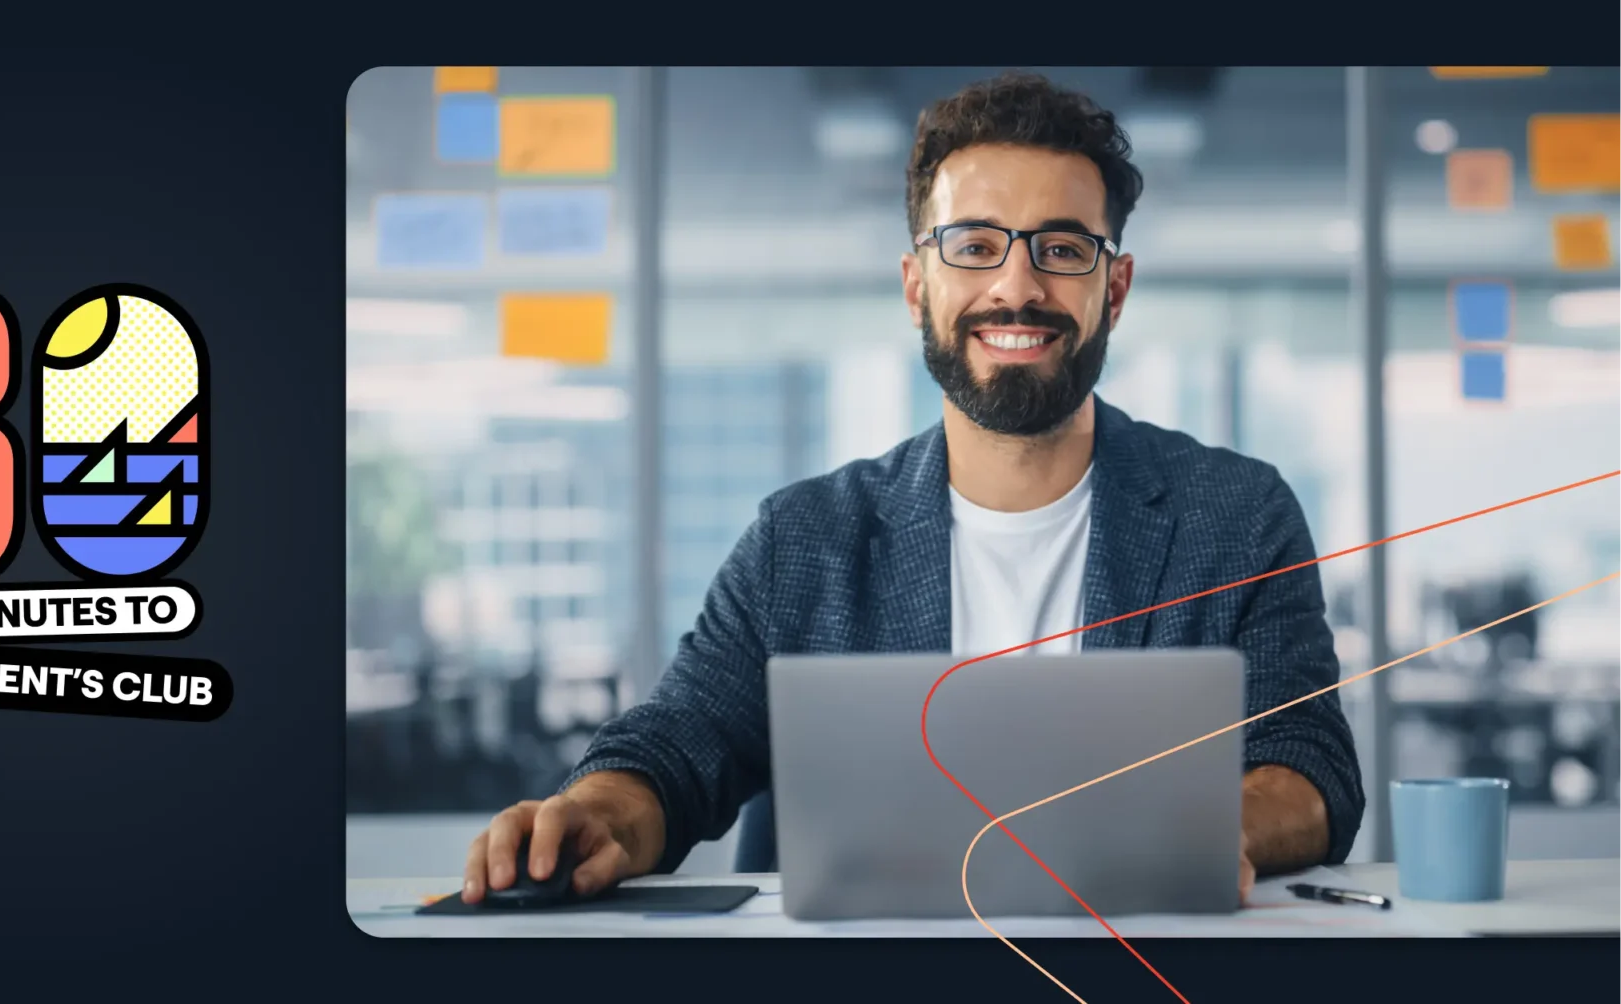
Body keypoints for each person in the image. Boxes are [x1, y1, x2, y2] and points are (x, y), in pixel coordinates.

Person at [462, 71, 1364, 908]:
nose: (1017, 286)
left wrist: (1213, 828)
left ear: (1114, 289)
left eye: (1061, 247)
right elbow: (679, 742)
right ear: (916, 284)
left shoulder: (1238, 515)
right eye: (973, 246)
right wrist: (601, 814)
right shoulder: (804, 539)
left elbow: (1310, 764)